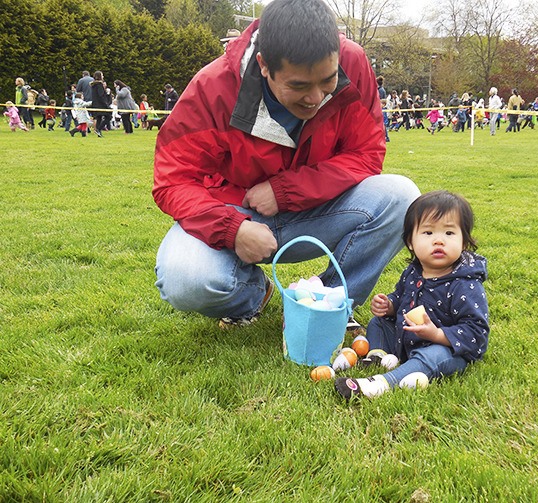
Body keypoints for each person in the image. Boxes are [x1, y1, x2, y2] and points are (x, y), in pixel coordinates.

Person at [152, 0, 420, 328]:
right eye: (298, 85)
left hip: (317, 209)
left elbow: (366, 153)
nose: (316, 97)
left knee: (403, 197)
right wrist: (232, 229)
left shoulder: (353, 61)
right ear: (264, 65)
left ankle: (330, 304)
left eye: (327, 80)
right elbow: (173, 180)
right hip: (237, 212)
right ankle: (253, 294)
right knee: (184, 279)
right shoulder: (213, 88)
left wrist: (284, 191)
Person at [334, 190, 490, 400]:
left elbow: (476, 334)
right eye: (428, 233)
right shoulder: (414, 272)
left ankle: (381, 383)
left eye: (449, 233)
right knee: (378, 324)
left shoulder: (465, 284)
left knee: (433, 356)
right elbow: (402, 298)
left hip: (443, 349)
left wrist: (436, 335)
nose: (439, 241)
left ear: (464, 242)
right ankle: (378, 357)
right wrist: (389, 306)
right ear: (410, 242)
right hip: (406, 339)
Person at [90, 71, 111, 137]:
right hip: (101, 104)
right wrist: (107, 94)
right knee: (109, 116)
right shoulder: (99, 85)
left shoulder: (94, 85)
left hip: (95, 104)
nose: (103, 76)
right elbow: (101, 95)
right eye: (102, 75)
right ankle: (98, 129)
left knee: (99, 118)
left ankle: (99, 133)